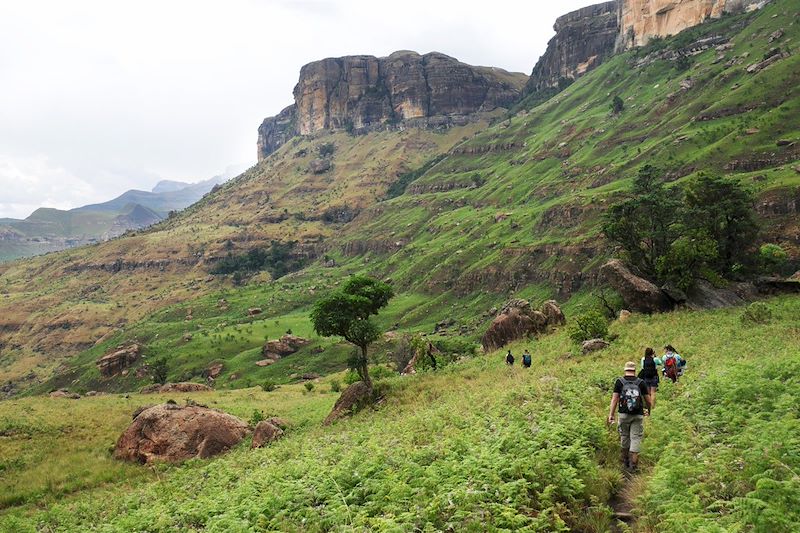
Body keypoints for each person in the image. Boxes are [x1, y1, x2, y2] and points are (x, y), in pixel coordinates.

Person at [608, 361, 651, 473]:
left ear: (625, 370)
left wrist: (611, 415)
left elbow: (614, 400)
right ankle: (633, 466)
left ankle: (624, 463)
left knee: (624, 436)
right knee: (635, 438)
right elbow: (648, 401)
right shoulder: (640, 382)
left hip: (623, 414)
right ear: (635, 370)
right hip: (638, 415)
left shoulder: (619, 382)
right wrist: (648, 410)